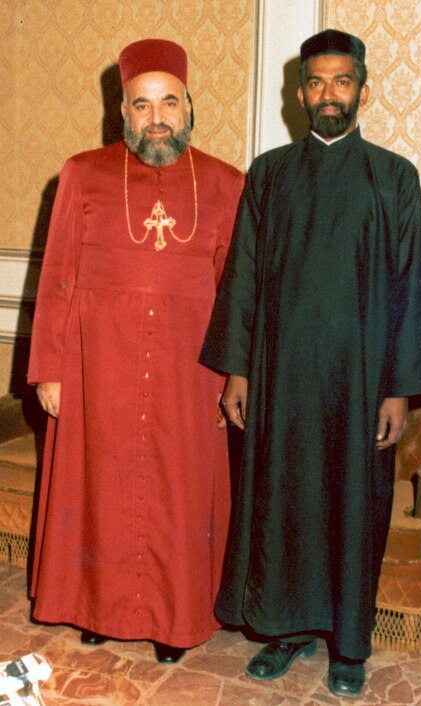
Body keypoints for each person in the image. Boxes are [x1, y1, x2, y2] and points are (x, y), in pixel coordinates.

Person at [200, 29, 421, 698]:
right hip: (281, 379)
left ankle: (348, 648)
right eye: (317, 82)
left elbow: (408, 287)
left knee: (353, 507)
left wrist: (398, 389)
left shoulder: (393, 177)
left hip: (361, 381)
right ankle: (282, 630)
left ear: (362, 89)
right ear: (299, 91)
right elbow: (244, 278)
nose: (329, 93)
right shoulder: (271, 174)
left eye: (343, 81)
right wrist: (238, 371)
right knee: (281, 500)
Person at [28, 38, 244, 663]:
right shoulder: (82, 174)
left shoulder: (227, 184)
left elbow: (240, 293)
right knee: (100, 488)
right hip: (99, 368)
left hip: (191, 373)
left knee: (179, 496)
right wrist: (49, 370)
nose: (157, 118)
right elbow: (58, 276)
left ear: (189, 106)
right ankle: (94, 609)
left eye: (168, 103)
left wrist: (233, 379)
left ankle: (175, 622)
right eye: (141, 105)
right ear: (120, 113)